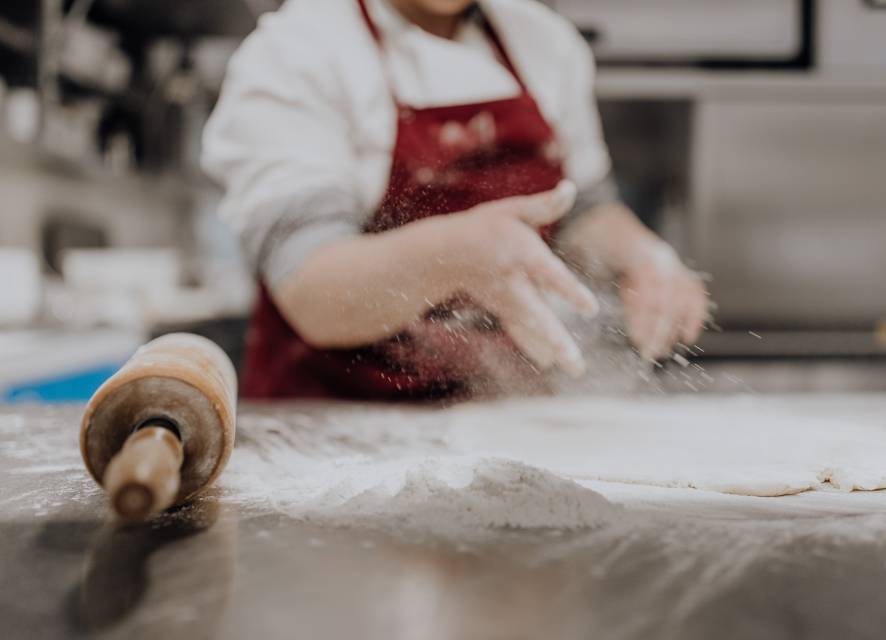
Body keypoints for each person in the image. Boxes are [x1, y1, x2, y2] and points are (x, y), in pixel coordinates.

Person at [202, 0, 709, 400]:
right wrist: (455, 256)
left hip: (507, 423)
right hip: (330, 436)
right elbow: (310, 290)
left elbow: (579, 207)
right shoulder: (299, 52)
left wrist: (640, 255)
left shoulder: (544, 42)